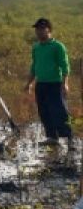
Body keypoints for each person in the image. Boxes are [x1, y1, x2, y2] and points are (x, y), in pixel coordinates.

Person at [25, 17, 72, 148]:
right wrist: (29, 83)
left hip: (55, 84)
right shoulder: (36, 47)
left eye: (42, 29)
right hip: (41, 84)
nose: (39, 32)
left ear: (49, 30)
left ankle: (69, 139)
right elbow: (34, 66)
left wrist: (65, 83)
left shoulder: (58, 46)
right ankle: (52, 137)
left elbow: (65, 66)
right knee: (44, 111)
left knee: (59, 111)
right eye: (37, 30)